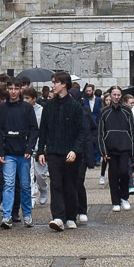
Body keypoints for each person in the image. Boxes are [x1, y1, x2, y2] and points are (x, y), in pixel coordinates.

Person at [38, 71, 91, 230]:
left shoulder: (75, 106)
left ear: (64, 84)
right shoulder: (49, 106)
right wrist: (41, 151)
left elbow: (82, 131)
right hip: (54, 151)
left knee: (70, 184)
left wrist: (75, 150)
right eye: (53, 82)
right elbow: (43, 130)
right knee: (55, 184)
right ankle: (58, 216)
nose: (52, 85)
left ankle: (70, 215)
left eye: (55, 82)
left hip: (71, 153)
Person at [0, 81, 38, 227]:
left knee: (25, 184)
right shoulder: (2, 108)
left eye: (16, 89)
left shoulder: (27, 107)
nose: (13, 92)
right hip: (8, 151)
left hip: (23, 151)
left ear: (20, 90)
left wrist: (29, 148)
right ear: (7, 90)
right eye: (10, 89)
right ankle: (7, 216)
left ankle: (27, 214)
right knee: (8, 184)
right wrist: (0, 150)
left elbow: (34, 129)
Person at [97, 86, 134, 210]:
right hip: (111, 148)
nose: (116, 97)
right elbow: (101, 133)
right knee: (113, 175)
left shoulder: (127, 111)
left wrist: (133, 150)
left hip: (125, 147)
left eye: (118, 95)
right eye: (114, 94)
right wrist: (103, 151)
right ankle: (115, 201)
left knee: (124, 173)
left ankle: (124, 197)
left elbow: (133, 131)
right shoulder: (104, 112)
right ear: (110, 95)